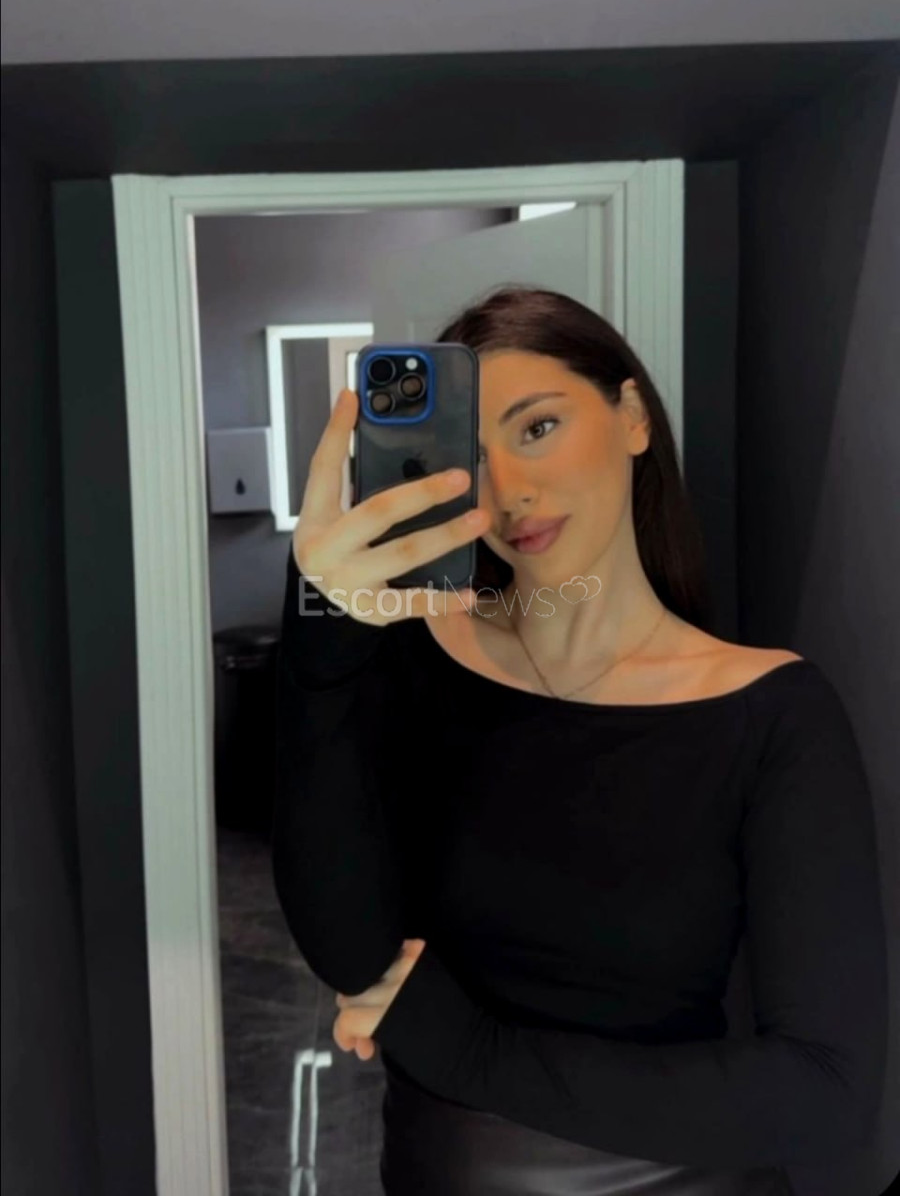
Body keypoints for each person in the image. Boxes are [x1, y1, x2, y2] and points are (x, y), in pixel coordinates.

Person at [271, 287, 887, 1195]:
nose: (509, 491)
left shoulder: (771, 714)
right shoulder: (414, 655)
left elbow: (824, 1093)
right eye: (472, 458)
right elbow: (348, 948)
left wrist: (470, 1052)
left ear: (632, 416)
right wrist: (319, 636)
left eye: (538, 427)